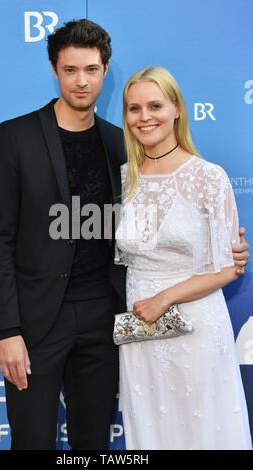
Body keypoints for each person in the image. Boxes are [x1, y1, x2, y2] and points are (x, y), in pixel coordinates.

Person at [0, 19, 126, 450]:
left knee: (92, 442)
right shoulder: (16, 136)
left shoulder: (120, 143)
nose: (81, 81)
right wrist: (7, 330)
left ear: (105, 71)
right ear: (53, 69)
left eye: (91, 70)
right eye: (70, 70)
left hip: (104, 315)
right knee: (31, 440)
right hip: (35, 321)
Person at [115, 66, 252, 450]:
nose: (144, 118)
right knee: (150, 429)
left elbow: (227, 266)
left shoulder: (208, 176)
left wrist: (165, 298)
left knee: (201, 429)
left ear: (176, 109)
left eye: (155, 106)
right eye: (134, 108)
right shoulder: (124, 177)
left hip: (195, 325)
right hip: (139, 326)